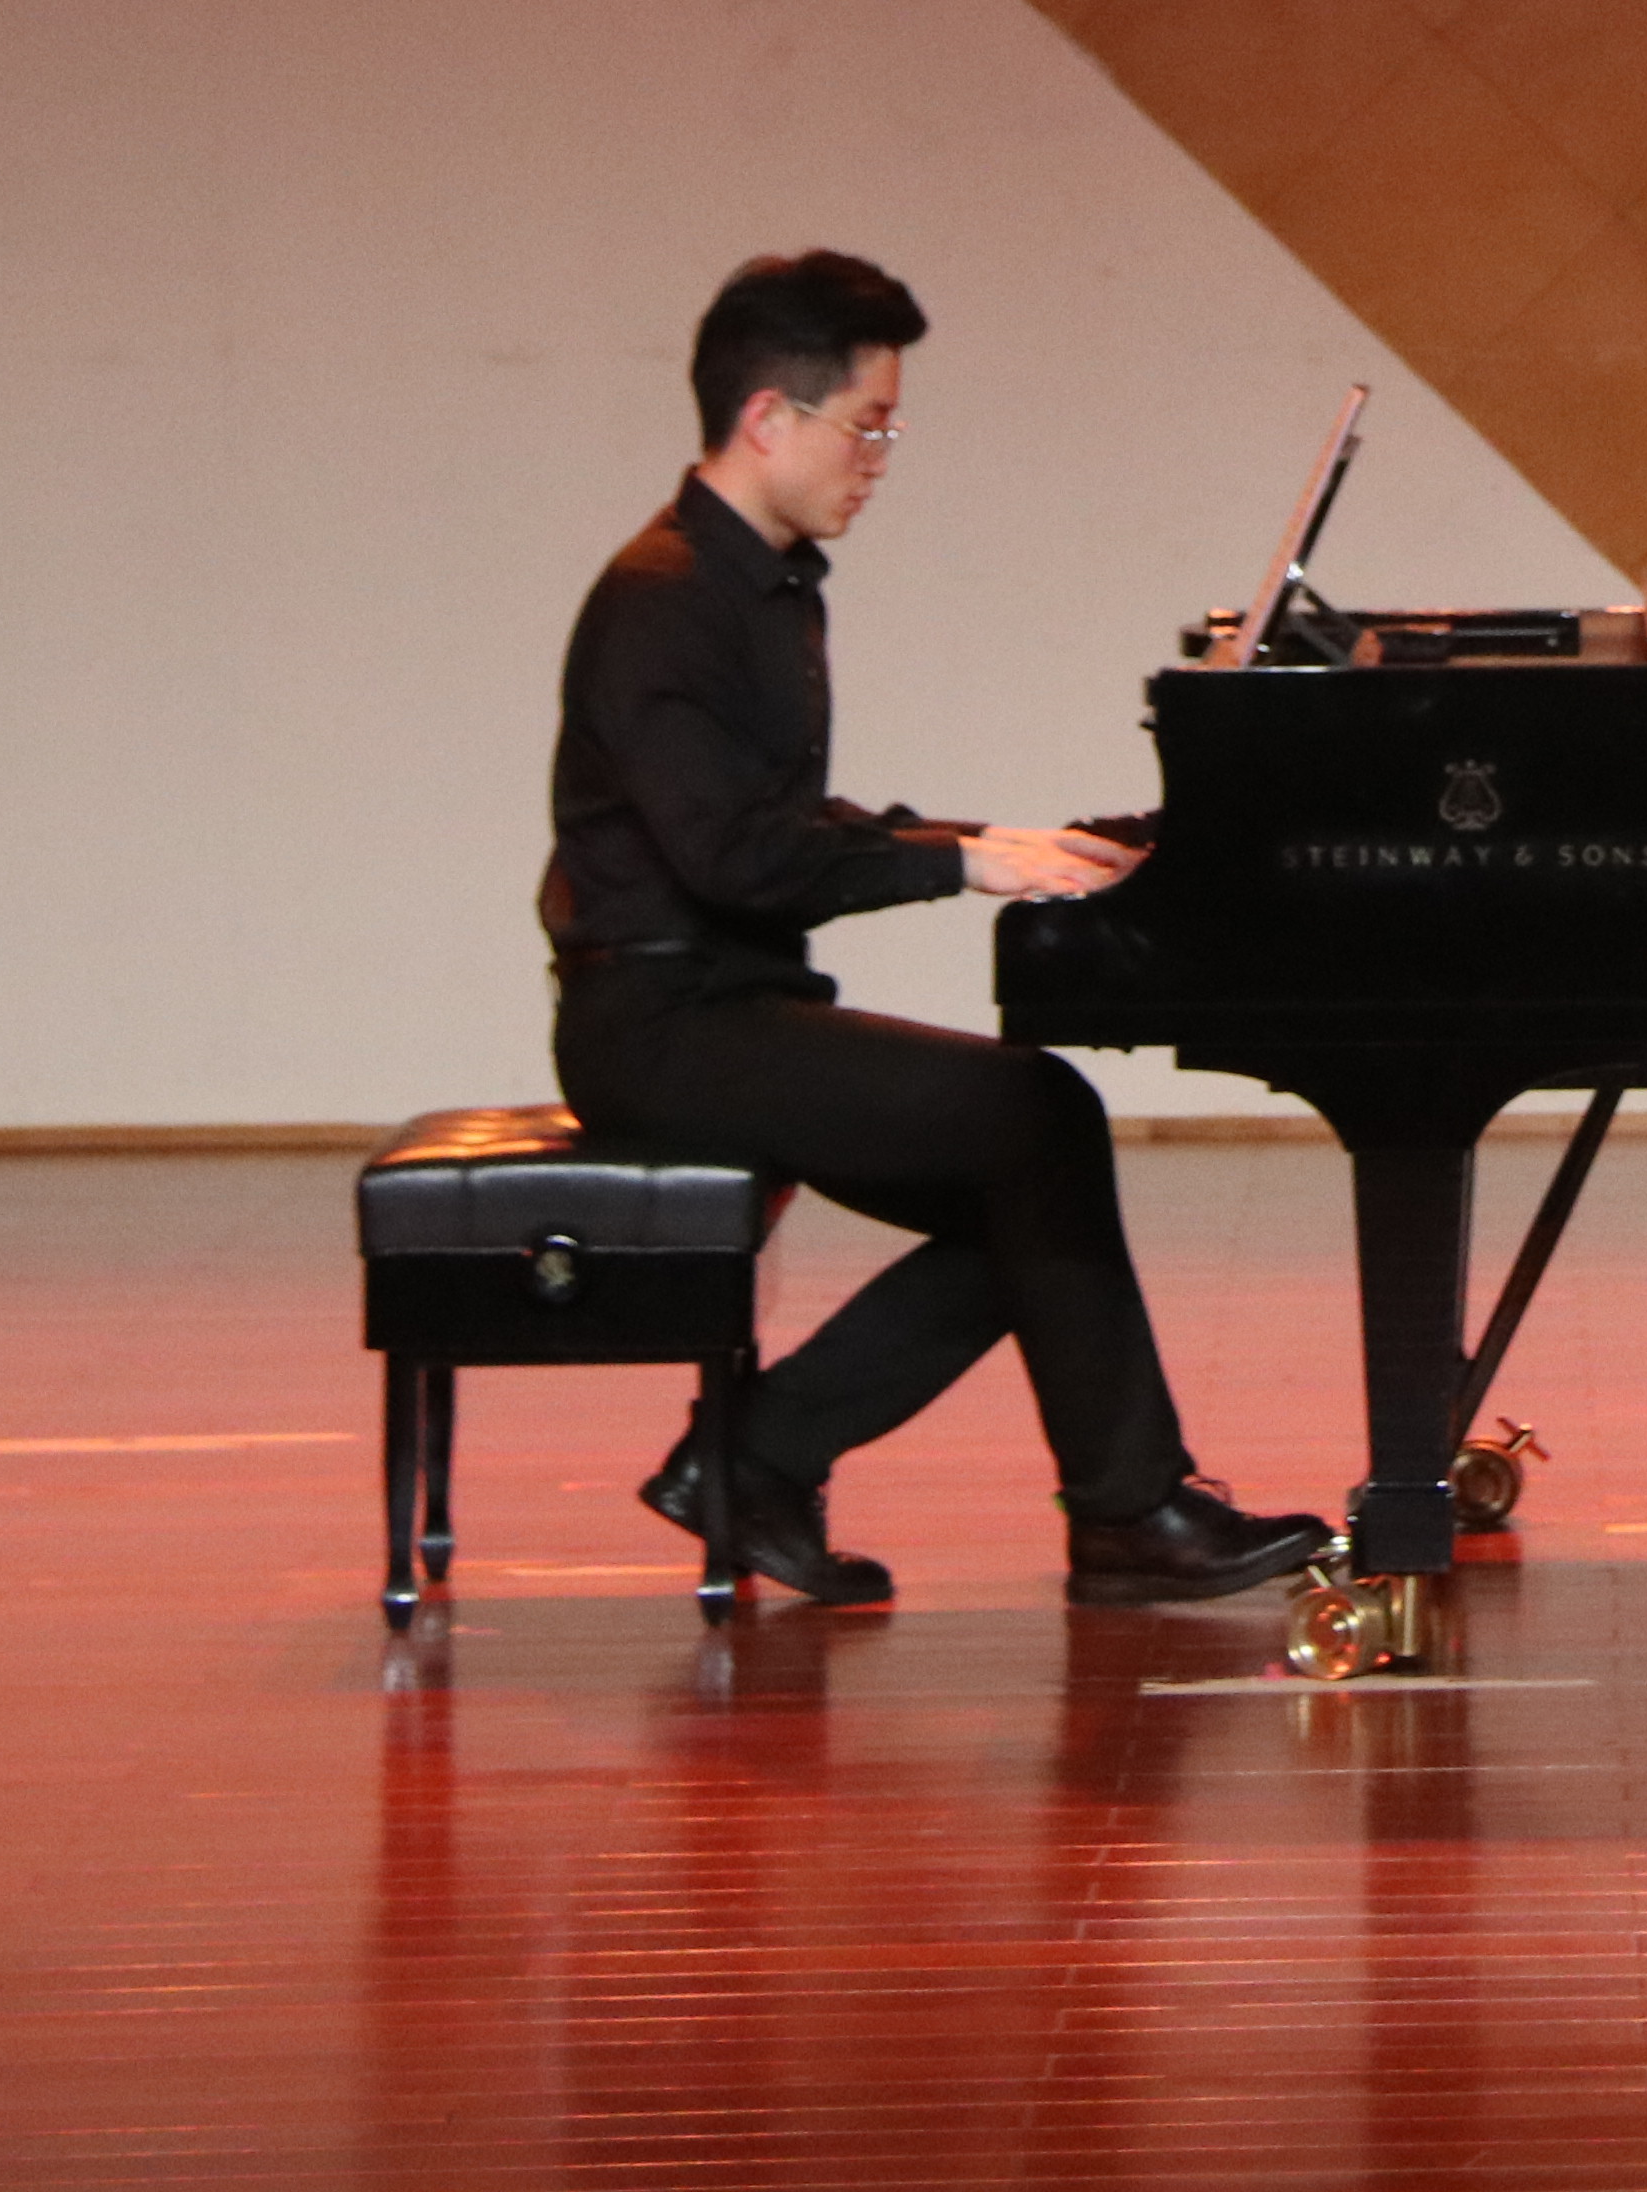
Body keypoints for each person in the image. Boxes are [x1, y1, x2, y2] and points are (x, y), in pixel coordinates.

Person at [542, 249, 1328, 1611]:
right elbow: (734, 855)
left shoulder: (757, 583)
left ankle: (772, 1461)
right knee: (1034, 1119)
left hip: (722, 1005)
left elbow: (780, 819)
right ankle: (1109, 1509)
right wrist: (961, 865)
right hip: (660, 1025)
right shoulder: (666, 597)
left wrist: (1003, 840)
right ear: (768, 418)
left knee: (1029, 1173)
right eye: (867, 427)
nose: (879, 461)